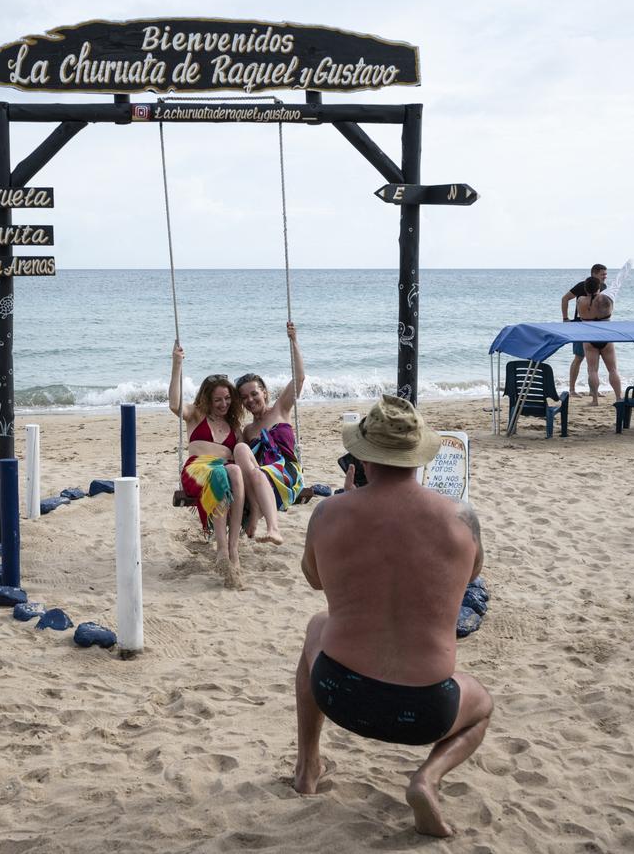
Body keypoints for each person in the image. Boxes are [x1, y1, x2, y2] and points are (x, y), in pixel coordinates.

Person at [292, 395, 492, 837]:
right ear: (419, 455)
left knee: (316, 626)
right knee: (481, 707)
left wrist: (347, 514)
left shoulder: (329, 513)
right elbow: (471, 574)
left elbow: (314, 580)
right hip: (426, 712)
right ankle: (427, 777)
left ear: (363, 454)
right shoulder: (461, 518)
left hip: (339, 692)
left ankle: (308, 768)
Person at [169, 342, 246, 587]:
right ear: (207, 399)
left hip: (224, 473)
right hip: (197, 471)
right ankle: (222, 550)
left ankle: (232, 548)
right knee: (221, 471)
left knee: (232, 470)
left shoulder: (235, 428)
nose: (223, 404)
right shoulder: (196, 415)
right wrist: (177, 365)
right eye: (217, 400)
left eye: (226, 399)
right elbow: (174, 403)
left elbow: (244, 457)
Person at [234, 321, 306, 546]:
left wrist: (294, 341)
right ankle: (255, 508)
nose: (250, 400)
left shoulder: (280, 409)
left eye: (254, 394)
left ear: (264, 392)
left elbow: (299, 379)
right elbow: (241, 462)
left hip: (286, 474)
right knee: (241, 449)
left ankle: (273, 529)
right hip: (260, 479)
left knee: (257, 474)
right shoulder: (248, 430)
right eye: (244, 398)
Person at [561, 263, 607, 394]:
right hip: (580, 325)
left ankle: (593, 390)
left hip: (597, 327)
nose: (605, 277)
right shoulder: (582, 285)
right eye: (602, 274)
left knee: (594, 358)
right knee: (579, 357)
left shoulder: (603, 287)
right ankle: (572, 390)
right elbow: (565, 298)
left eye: (605, 274)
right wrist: (565, 318)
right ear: (594, 274)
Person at [575, 279, 623, 405]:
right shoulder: (606, 300)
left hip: (589, 338)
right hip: (606, 337)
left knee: (592, 370)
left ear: (586, 289)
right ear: (599, 288)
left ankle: (595, 400)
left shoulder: (580, 300)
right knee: (613, 370)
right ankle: (618, 398)